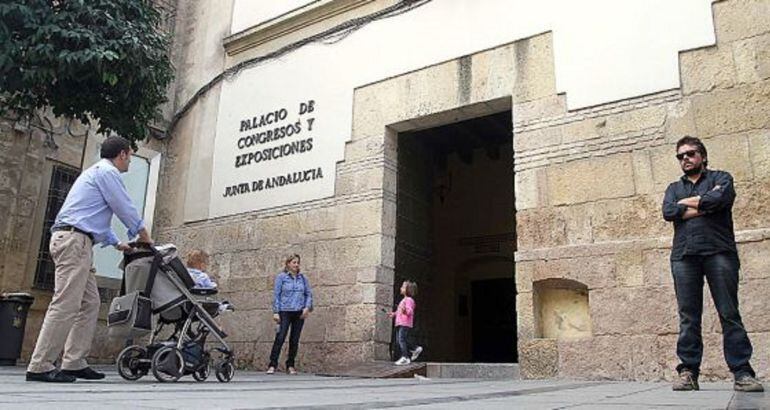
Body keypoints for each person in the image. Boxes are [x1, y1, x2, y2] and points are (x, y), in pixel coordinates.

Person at [26, 136, 153, 383]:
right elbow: (123, 207)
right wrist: (144, 235)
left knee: (89, 303)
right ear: (124, 154)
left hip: (78, 241)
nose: (130, 162)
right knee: (65, 304)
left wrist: (118, 244)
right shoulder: (107, 173)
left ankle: (73, 362)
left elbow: (93, 216)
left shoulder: (95, 173)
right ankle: (40, 365)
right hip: (74, 242)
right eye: (130, 156)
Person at [662, 136, 763, 392]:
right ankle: (688, 372)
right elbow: (668, 211)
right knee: (688, 317)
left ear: (702, 156)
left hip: (719, 252)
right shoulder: (674, 188)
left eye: (690, 153)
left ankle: (742, 373)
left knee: (729, 313)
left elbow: (721, 200)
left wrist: (688, 204)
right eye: (680, 156)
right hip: (684, 256)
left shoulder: (722, 178)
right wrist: (704, 203)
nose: (685, 158)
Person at [267, 254, 313, 375]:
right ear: (288, 264)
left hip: (299, 311)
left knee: (294, 339)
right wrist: (276, 312)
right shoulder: (282, 278)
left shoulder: (303, 278)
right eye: (294, 262)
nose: (296, 265)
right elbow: (276, 295)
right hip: (285, 310)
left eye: (298, 262)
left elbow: (308, 294)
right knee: (280, 337)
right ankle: (272, 364)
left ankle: (290, 365)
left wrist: (307, 307)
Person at [388, 280, 422, 365]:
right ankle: (415, 348)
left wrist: (405, 311)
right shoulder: (404, 300)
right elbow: (400, 311)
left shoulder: (409, 300)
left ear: (408, 290)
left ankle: (405, 357)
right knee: (400, 340)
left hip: (404, 323)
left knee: (401, 340)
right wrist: (394, 314)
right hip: (400, 323)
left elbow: (409, 311)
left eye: (403, 287)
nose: (401, 288)